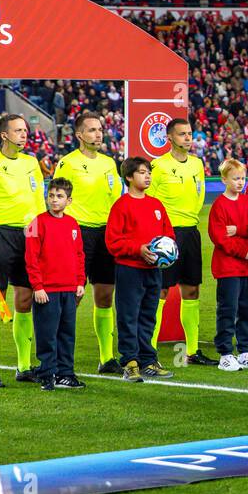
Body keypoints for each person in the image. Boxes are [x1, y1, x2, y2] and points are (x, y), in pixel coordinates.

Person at [0, 113, 46, 388]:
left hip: (30, 235)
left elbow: (40, 202)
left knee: (25, 300)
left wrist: (42, 238)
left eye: (25, 130)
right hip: (1, 236)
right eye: (18, 130)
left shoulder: (31, 164)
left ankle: (24, 366)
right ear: (4, 135)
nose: (24, 134)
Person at [53, 111, 123, 374]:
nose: (98, 134)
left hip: (106, 233)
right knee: (72, 295)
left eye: (100, 129)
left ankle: (106, 358)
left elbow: (116, 197)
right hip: (78, 233)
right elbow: (57, 198)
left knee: (105, 295)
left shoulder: (109, 163)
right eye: (92, 130)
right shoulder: (67, 163)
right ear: (79, 135)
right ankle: (59, 358)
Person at [149, 118, 215, 366]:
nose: (188, 138)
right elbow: (151, 201)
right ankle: (150, 349)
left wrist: (190, 219)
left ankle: (193, 351)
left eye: (189, 134)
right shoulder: (158, 166)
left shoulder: (197, 164)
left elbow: (199, 196)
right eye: (182, 134)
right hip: (166, 235)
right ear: (170, 138)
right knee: (162, 291)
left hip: (191, 232)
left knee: (192, 289)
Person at [105, 156, 176, 382]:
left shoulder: (156, 205)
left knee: (148, 316)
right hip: (129, 270)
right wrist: (138, 248)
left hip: (154, 270)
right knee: (128, 316)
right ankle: (130, 362)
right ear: (128, 177)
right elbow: (113, 242)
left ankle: (148, 360)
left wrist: (168, 253)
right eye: (142, 172)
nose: (147, 176)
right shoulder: (121, 206)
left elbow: (169, 236)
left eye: (148, 173)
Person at [24, 178, 86, 391]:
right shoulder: (36, 223)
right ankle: (47, 373)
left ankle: (66, 373)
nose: (54, 200)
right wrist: (37, 286)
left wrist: (80, 281)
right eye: (51, 196)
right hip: (47, 291)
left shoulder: (73, 224)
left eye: (59, 196)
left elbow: (79, 254)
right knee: (47, 334)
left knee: (67, 333)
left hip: (69, 289)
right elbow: (31, 258)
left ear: (69, 200)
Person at [208, 158, 248, 372]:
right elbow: (220, 237)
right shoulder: (219, 205)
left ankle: (245, 351)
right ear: (224, 180)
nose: (240, 182)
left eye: (243, 178)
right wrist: (245, 251)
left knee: (246, 309)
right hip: (228, 268)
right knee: (228, 309)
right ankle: (225, 353)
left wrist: (239, 229)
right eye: (236, 179)